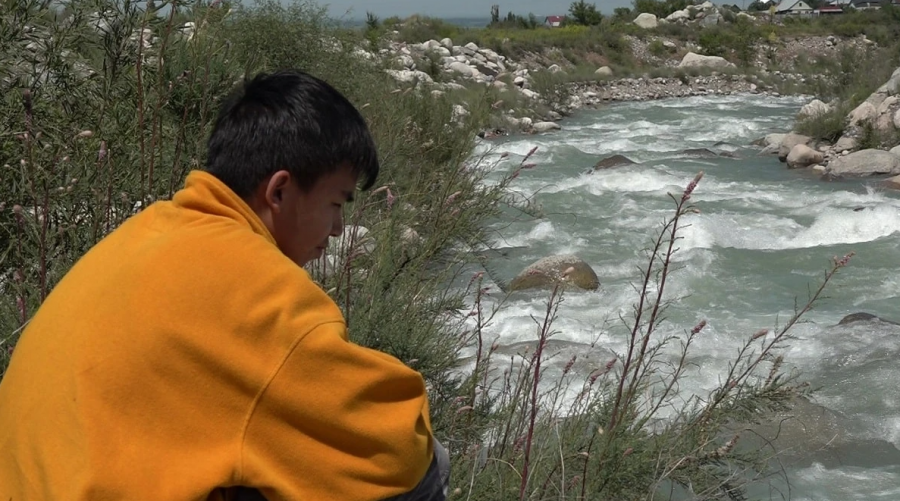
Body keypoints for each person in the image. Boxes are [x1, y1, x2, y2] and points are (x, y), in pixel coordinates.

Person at [0, 69, 449, 500]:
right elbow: (396, 447)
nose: (337, 228)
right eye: (336, 203)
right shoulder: (255, 285)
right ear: (279, 192)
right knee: (423, 473)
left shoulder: (149, 231)